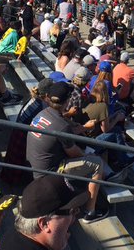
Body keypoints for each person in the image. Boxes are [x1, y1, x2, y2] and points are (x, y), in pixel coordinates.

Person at [24, 80, 107, 222]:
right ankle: (90, 211)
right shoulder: (61, 124)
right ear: (67, 101)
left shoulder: (43, 113)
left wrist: (80, 128)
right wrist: (88, 156)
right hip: (48, 173)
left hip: (35, 166)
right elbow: (74, 152)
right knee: (97, 163)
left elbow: (64, 128)